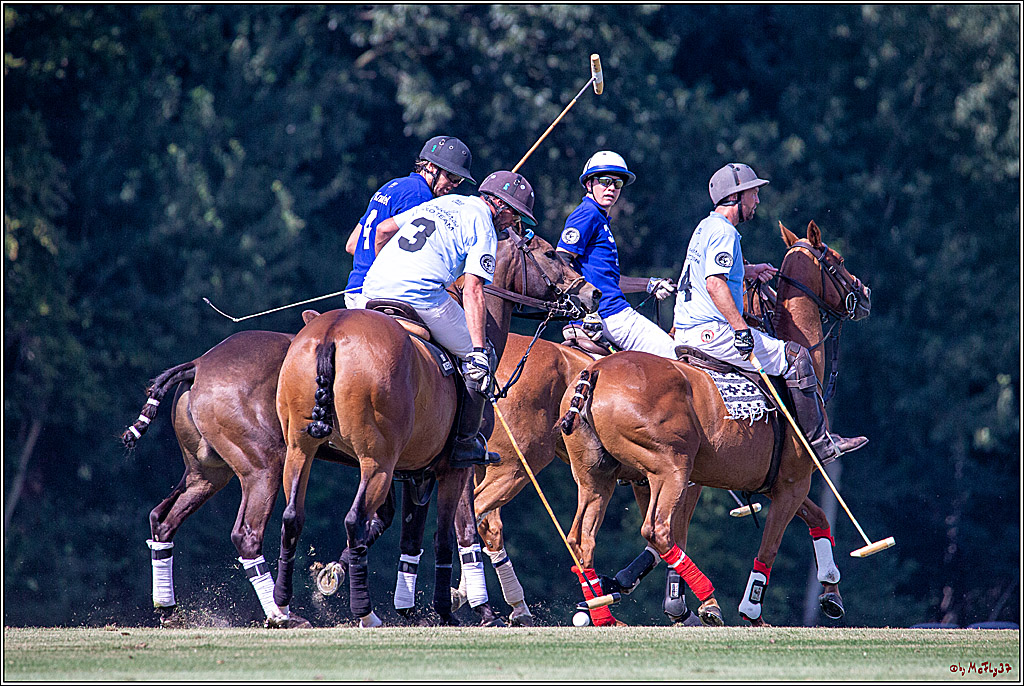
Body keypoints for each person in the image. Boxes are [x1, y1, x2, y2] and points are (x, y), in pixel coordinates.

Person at [673, 162, 867, 465]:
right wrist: (740, 329)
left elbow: (709, 271)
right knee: (798, 358)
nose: (757, 201)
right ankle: (820, 443)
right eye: (753, 194)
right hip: (712, 332)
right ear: (735, 197)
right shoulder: (725, 232)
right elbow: (714, 283)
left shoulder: (705, 227)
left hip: (684, 331)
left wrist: (748, 271)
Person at [361, 170, 537, 468]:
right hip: (420, 296)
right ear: (501, 206)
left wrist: (389, 272)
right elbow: (473, 290)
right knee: (482, 359)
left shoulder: (445, 201)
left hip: (372, 288)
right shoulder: (484, 225)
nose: (513, 224)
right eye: (514, 216)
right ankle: (464, 444)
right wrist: (478, 350)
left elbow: (383, 230)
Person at [556, 151, 678, 358]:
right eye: (605, 181)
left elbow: (608, 281)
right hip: (609, 314)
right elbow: (561, 263)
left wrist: (649, 284)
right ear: (589, 184)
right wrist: (587, 311)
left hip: (608, 312)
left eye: (617, 183)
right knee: (674, 355)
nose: (611, 188)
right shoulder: (587, 213)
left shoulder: (600, 219)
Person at [344, 136, 475, 309]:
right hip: (380, 293)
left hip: (353, 290)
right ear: (430, 167)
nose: (454, 185)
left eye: (459, 180)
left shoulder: (392, 185)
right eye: (451, 176)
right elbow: (388, 236)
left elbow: (353, 244)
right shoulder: (420, 196)